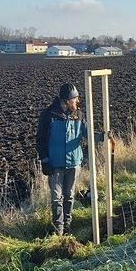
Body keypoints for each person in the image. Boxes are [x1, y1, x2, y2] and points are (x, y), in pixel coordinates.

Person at [35, 83, 103, 235]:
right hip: (55, 164)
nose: (77, 101)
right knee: (56, 198)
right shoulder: (48, 116)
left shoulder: (78, 115)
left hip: (74, 163)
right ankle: (58, 230)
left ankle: (68, 226)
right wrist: (45, 161)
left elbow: (88, 134)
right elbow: (40, 140)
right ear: (66, 101)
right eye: (75, 99)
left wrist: (102, 136)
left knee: (69, 195)